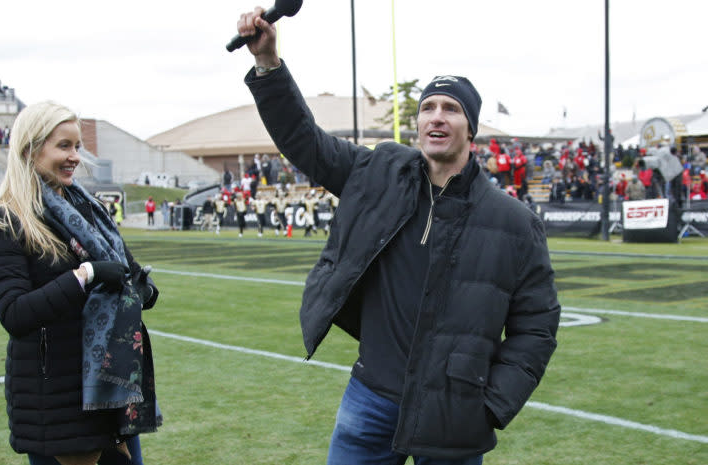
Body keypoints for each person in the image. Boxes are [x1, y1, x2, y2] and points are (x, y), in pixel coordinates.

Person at [235, 9, 560, 465]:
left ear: (472, 128)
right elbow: (306, 141)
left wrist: (490, 405)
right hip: (371, 396)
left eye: (451, 108)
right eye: (428, 107)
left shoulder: (514, 221)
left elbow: (537, 326)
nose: (437, 117)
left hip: (454, 412)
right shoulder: (380, 171)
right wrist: (268, 63)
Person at [0, 101, 161, 465]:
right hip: (56, 403)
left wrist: (143, 290)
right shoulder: (6, 222)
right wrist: (84, 276)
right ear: (30, 149)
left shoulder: (88, 209)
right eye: (64, 146)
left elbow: (126, 271)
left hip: (112, 393)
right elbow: (14, 314)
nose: (75, 156)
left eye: (77, 146)